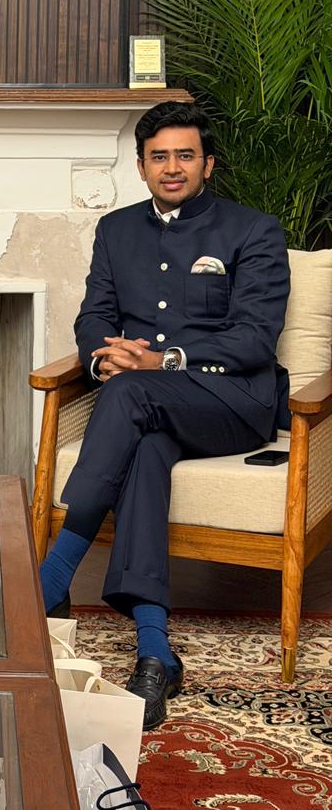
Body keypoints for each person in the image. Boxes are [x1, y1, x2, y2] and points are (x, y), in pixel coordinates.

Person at [40, 101, 290, 728]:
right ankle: (155, 650)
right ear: (141, 166)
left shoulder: (254, 230)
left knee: (132, 396)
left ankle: (50, 580)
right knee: (145, 446)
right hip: (148, 404)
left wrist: (161, 360)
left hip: (233, 402)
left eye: (185, 155)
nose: (172, 167)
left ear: (208, 164)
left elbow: (255, 339)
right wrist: (104, 357)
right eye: (159, 157)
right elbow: (95, 315)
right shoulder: (116, 229)